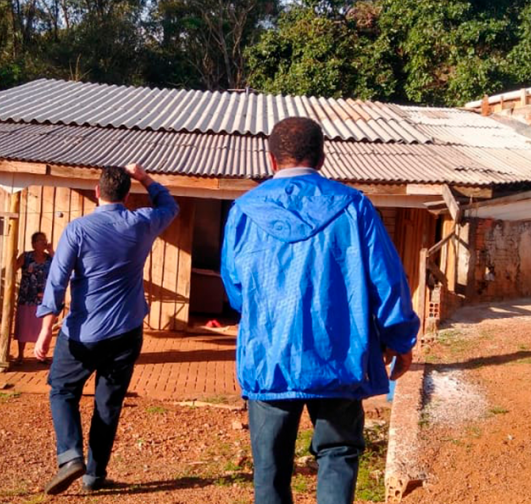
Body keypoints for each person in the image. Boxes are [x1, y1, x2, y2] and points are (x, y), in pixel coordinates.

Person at [220, 117, 420, 504]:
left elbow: (237, 289)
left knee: (270, 470)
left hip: (268, 361)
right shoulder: (353, 206)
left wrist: (269, 316)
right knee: (338, 454)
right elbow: (387, 279)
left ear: (271, 159)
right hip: (338, 359)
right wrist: (400, 338)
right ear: (322, 156)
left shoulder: (244, 211)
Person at [34, 164, 179, 495]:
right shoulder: (143, 222)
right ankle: (94, 476)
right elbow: (171, 207)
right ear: (127, 196)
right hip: (126, 332)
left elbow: (56, 281)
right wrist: (145, 177)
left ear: (96, 192)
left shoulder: (78, 229)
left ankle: (70, 456)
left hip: (82, 333)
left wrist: (45, 329)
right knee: (107, 404)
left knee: (62, 390)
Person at [12, 231, 52, 364]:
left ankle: (41, 355)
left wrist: (51, 250)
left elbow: (61, 266)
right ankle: (20, 355)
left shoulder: (49, 258)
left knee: (42, 327)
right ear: (34, 244)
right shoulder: (26, 256)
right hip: (26, 296)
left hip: (43, 298)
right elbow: (14, 268)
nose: (43, 242)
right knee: (23, 325)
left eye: (44, 240)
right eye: (40, 240)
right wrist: (13, 256)